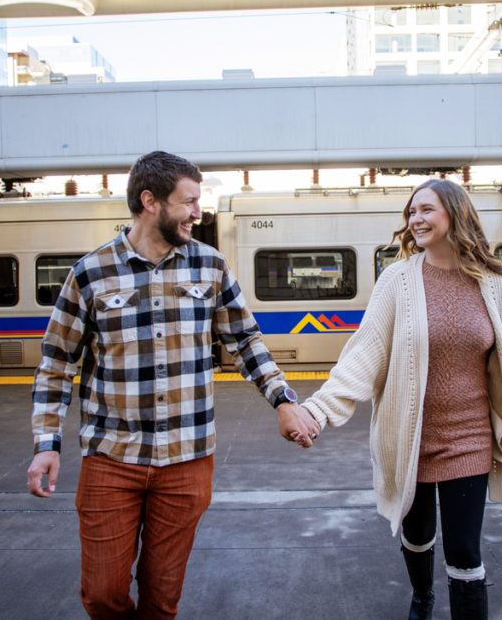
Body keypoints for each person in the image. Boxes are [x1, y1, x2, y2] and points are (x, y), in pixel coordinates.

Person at [27, 151, 319, 619]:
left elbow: (244, 340)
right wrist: (47, 443)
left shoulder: (210, 266)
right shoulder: (90, 271)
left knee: (162, 600)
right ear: (150, 201)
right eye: (189, 201)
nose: (197, 212)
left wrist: (283, 399)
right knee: (102, 593)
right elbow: (57, 363)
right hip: (112, 458)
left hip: (186, 459)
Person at [281, 179, 502, 619]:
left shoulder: (496, 285)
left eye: (426, 210)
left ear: (455, 214)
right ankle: (422, 597)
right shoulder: (398, 281)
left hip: (469, 439)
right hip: (407, 435)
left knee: (465, 550)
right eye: (411, 212)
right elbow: (365, 352)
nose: (416, 220)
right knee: (418, 531)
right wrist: (318, 409)